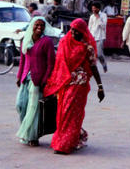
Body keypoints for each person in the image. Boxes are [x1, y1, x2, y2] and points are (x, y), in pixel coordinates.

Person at [44, 19, 105, 154]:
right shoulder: (64, 42)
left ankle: (65, 144)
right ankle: (71, 137)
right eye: (71, 29)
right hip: (65, 82)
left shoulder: (87, 48)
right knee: (63, 113)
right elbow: (59, 63)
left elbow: (93, 67)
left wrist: (100, 86)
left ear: (82, 32)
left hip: (79, 85)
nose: (73, 32)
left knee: (71, 113)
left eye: (76, 30)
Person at [15, 17, 56, 146]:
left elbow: (51, 63)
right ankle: (26, 132)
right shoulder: (25, 40)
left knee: (33, 108)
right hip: (25, 78)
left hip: (38, 80)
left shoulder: (47, 42)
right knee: (21, 105)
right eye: (37, 24)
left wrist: (45, 81)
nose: (39, 27)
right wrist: (19, 76)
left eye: (42, 25)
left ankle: (33, 137)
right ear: (31, 25)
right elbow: (22, 60)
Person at [88, 2, 108, 73]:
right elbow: (89, 27)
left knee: (99, 54)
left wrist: (98, 18)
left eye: (94, 8)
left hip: (100, 37)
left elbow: (103, 26)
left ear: (98, 9)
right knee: (92, 55)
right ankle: (93, 69)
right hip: (92, 37)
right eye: (92, 8)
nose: (93, 10)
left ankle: (104, 64)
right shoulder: (91, 17)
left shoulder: (103, 16)